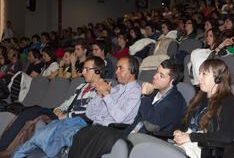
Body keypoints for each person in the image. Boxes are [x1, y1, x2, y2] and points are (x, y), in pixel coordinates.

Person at [12, 56, 142, 157]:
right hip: (93, 127)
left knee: (61, 132)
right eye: (117, 68)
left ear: (132, 72)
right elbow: (91, 114)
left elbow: (119, 118)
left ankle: (23, 153)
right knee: (54, 127)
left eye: (120, 68)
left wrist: (106, 95)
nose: (116, 71)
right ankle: (19, 153)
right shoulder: (115, 88)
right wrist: (99, 96)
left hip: (107, 131)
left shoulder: (135, 91)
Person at [0, 56, 106, 157]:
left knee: (32, 112)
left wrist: (67, 115)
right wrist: (58, 110)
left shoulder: (103, 89)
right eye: (83, 69)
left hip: (75, 121)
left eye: (87, 69)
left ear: (97, 71)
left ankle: (4, 148)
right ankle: (6, 145)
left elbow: (91, 114)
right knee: (31, 110)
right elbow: (68, 102)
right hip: (63, 116)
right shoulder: (82, 86)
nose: (83, 72)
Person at [173, 59, 234, 158]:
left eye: (204, 74)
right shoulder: (198, 98)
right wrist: (177, 131)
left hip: (202, 150)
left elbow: (226, 137)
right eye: (199, 73)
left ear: (218, 79)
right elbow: (181, 121)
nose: (198, 77)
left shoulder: (228, 102)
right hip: (185, 145)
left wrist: (191, 137)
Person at [123, 59, 187, 135]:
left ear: (172, 81)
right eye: (157, 72)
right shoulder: (153, 91)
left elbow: (153, 123)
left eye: (161, 76)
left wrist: (144, 96)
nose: (154, 76)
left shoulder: (176, 101)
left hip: (149, 140)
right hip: (130, 131)